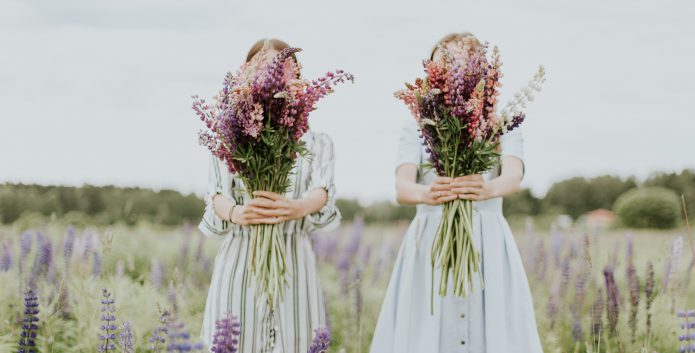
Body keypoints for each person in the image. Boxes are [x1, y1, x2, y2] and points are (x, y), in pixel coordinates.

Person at [369, 33, 544, 353]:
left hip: (487, 237)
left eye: (456, 59)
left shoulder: (502, 122)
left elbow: (514, 176)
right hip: (430, 237)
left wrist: (487, 188)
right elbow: (402, 187)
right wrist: (427, 193)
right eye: (441, 60)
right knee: (427, 325)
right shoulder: (416, 124)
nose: (447, 67)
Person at [198, 38, 341, 353]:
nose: (272, 72)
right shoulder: (230, 136)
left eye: (282, 65)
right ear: (246, 73)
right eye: (262, 65)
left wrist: (298, 207)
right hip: (240, 259)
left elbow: (323, 189)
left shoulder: (318, 142)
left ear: (297, 75)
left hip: (294, 261)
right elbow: (216, 194)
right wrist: (237, 213)